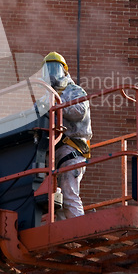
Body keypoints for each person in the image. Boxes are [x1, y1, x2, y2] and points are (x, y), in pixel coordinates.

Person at [42, 52, 92, 220]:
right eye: (47, 70)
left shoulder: (74, 91)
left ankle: (80, 231)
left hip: (72, 149)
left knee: (69, 195)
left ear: (64, 71)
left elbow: (79, 111)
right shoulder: (45, 96)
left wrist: (57, 107)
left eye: (55, 69)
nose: (51, 75)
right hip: (52, 153)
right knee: (57, 202)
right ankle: (66, 237)